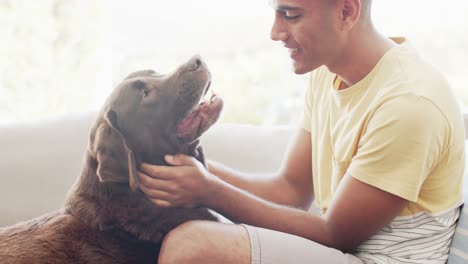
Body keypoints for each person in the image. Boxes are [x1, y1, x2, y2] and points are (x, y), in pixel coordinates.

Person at [137, 0, 465, 263]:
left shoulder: (408, 105)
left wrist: (207, 190)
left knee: (193, 245)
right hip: (346, 247)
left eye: (290, 15)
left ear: (347, 11)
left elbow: (336, 233)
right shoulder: (327, 73)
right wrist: (192, 170)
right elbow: (290, 190)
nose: (275, 32)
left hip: (379, 257)